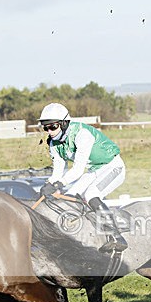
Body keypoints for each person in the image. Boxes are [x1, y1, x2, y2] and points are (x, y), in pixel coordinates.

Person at [37, 102, 128, 253]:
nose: (50, 132)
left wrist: (58, 184)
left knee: (91, 194)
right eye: (45, 128)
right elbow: (58, 170)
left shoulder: (82, 135)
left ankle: (116, 237)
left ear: (64, 123)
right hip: (95, 169)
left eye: (53, 127)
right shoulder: (54, 143)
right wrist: (48, 184)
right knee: (69, 197)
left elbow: (78, 170)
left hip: (113, 166)